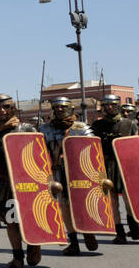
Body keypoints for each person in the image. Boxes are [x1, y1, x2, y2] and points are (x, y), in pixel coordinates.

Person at [0, 93, 46, 268]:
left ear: (12, 108)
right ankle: (17, 257)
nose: (2, 111)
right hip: (6, 184)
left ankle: (33, 244)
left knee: (29, 217)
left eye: (6, 107)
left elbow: (41, 156)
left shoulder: (27, 129)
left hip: (29, 183)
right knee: (11, 220)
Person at [40, 97, 97, 255]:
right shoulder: (45, 129)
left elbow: (92, 151)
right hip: (57, 172)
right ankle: (73, 241)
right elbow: (39, 152)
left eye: (62, 107)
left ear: (70, 109)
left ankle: (87, 232)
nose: (59, 110)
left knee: (81, 203)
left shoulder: (81, 128)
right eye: (56, 107)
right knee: (64, 206)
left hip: (78, 173)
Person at [90, 93, 139, 242]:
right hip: (106, 164)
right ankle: (119, 231)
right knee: (112, 199)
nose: (109, 107)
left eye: (112, 104)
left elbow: (136, 146)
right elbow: (92, 147)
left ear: (117, 106)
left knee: (129, 197)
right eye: (106, 105)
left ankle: (134, 225)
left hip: (125, 164)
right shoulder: (97, 125)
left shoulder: (129, 124)